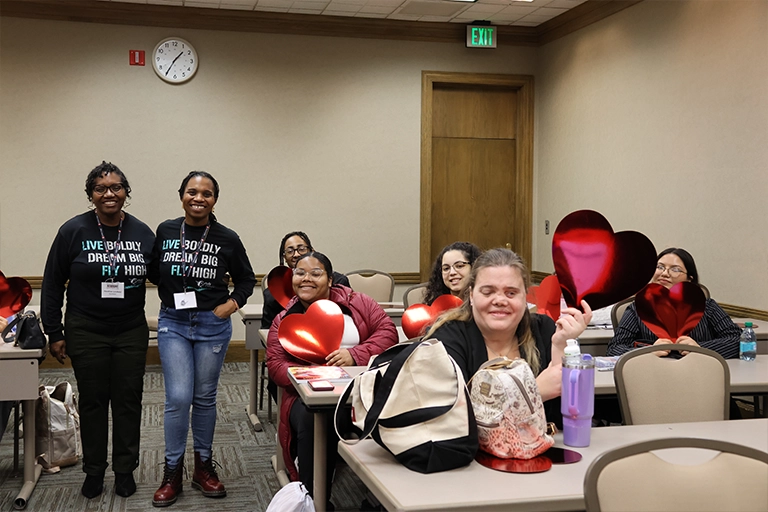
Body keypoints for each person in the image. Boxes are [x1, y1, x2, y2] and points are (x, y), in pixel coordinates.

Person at [40, 161, 155, 499]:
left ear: (126, 193)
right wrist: (54, 331)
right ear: (91, 194)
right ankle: (93, 471)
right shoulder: (72, 231)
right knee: (92, 401)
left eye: (116, 187)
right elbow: (51, 283)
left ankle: (124, 470)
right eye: (101, 188)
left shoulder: (142, 233)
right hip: (86, 329)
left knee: (127, 400)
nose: (109, 193)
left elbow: (163, 275)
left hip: (130, 329)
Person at [150, 171, 256, 507]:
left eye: (207, 194)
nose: (199, 198)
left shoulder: (227, 237)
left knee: (205, 397)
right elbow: (154, 270)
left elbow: (246, 279)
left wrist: (230, 305)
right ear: (181, 195)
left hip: (213, 324)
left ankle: (203, 467)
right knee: (179, 397)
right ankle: (172, 471)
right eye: (192, 192)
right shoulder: (166, 231)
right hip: (174, 322)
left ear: (215, 200)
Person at [266, 252, 397, 506]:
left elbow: (388, 333)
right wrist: (315, 370)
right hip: (309, 400)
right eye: (300, 273)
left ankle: (381, 499)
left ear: (330, 280)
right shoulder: (283, 319)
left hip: (360, 392)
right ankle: (315, 500)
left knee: (393, 413)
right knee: (313, 419)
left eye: (316, 273)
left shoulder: (358, 302)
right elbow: (276, 367)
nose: (307, 279)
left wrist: (354, 354)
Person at [425, 248, 592, 424]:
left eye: (511, 293)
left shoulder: (544, 331)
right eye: (488, 292)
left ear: (524, 297)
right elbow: (453, 421)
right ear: (471, 295)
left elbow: (563, 420)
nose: (500, 300)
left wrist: (560, 349)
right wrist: (535, 392)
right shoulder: (446, 339)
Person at [607, 247, 741, 359]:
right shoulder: (637, 308)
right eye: (660, 267)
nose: (665, 273)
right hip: (654, 374)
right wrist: (648, 352)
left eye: (675, 269)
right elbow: (614, 348)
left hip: (699, 371)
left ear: (689, 279)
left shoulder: (707, 306)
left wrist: (701, 349)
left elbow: (739, 339)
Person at [260, 231, 350, 329]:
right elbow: (266, 332)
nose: (296, 254)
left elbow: (349, 322)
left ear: (312, 251)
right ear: (284, 258)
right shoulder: (272, 294)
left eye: (301, 249)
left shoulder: (339, 282)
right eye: (290, 251)